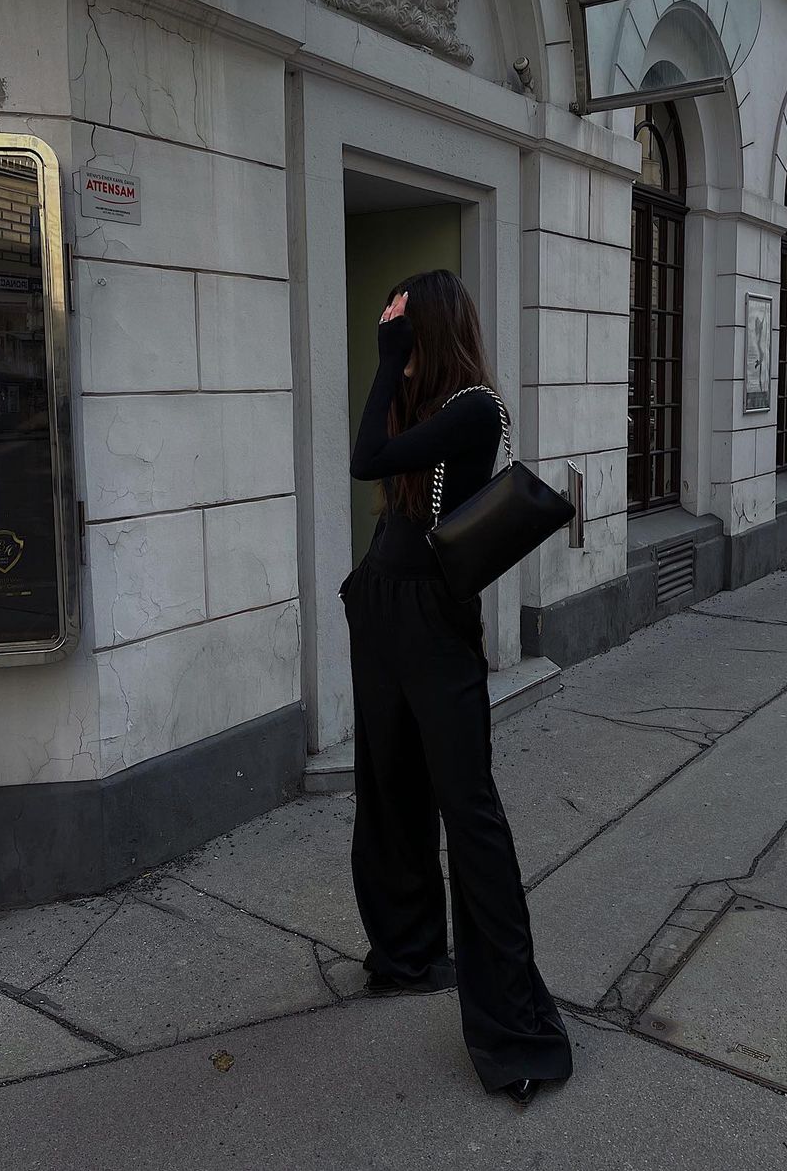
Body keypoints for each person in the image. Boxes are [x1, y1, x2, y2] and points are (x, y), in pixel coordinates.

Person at [339, 269, 573, 1108]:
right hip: (380, 607)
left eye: (402, 324)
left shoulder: (474, 409)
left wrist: (384, 358)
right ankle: (406, 954)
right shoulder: (423, 407)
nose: (391, 333)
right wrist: (394, 370)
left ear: (429, 329)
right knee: (388, 788)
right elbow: (385, 474)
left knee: (469, 814)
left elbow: (363, 459)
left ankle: (517, 1030)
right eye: (387, 323)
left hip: (435, 626)